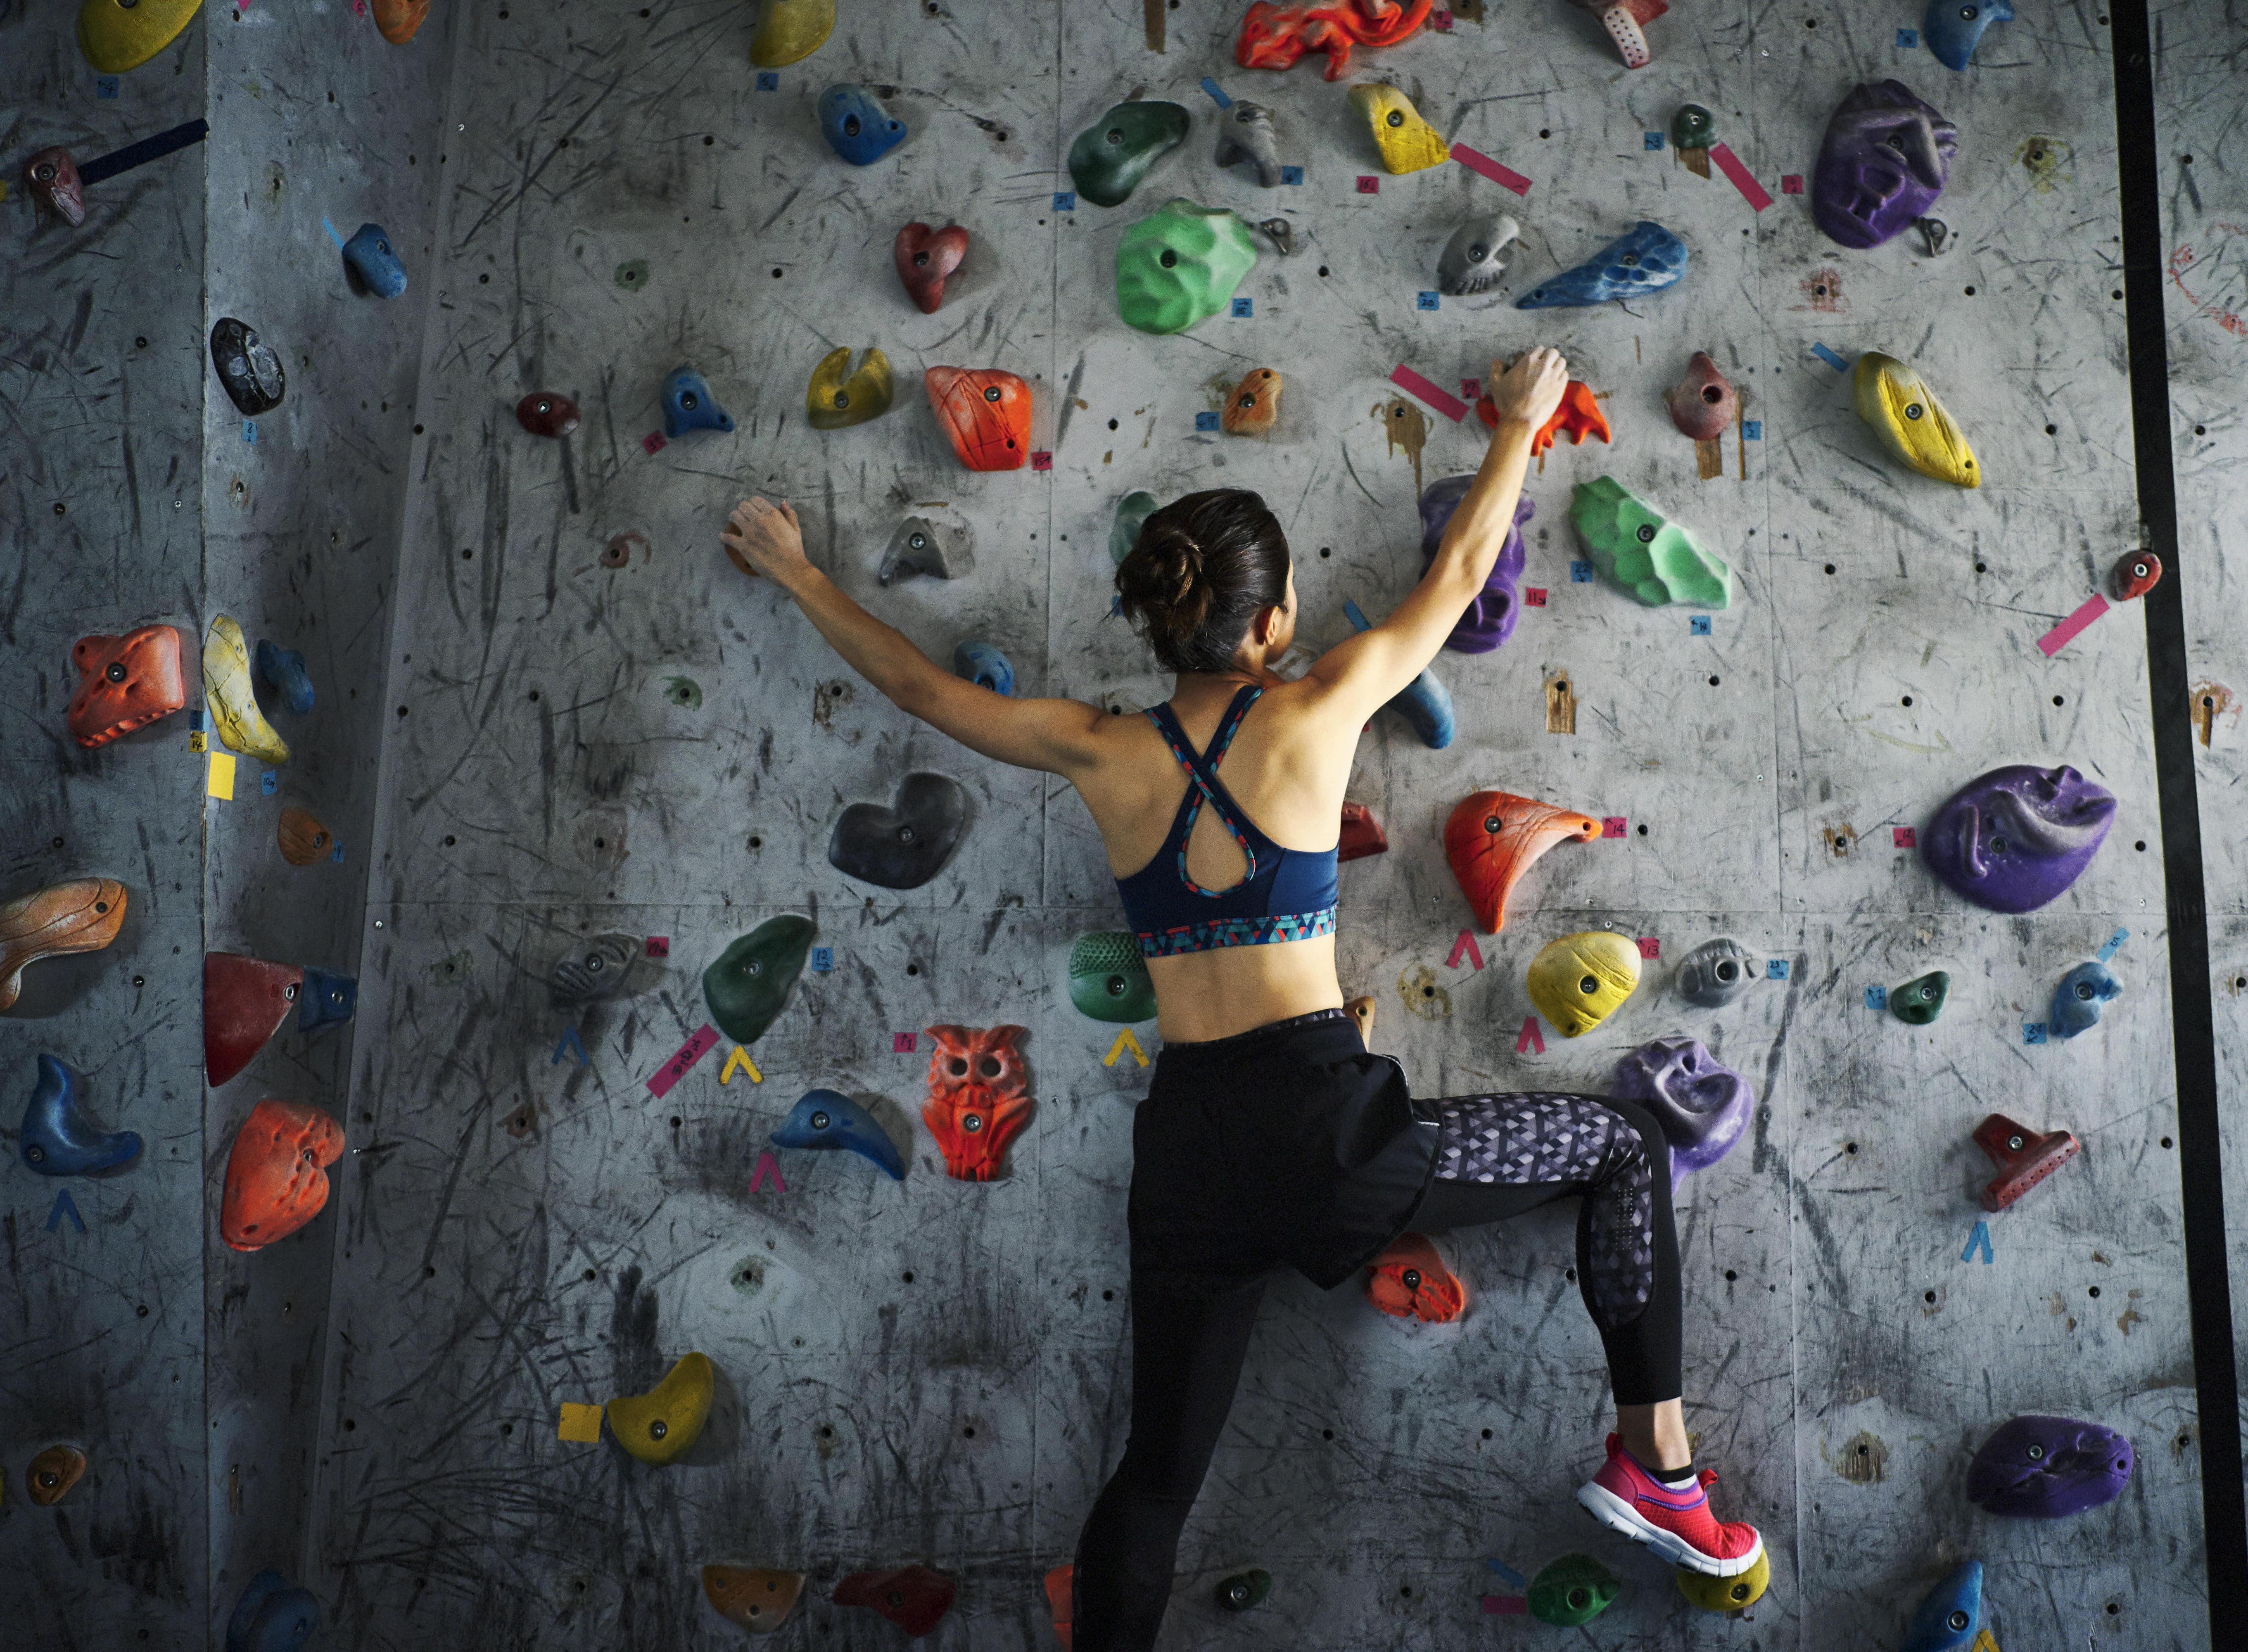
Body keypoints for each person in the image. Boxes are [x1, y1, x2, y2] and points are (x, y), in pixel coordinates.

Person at [719, 345, 1761, 1649]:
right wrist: (1516, 425)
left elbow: (926, 690)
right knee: (1614, 1146)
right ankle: (1656, 1469)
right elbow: (1457, 574)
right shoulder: (1319, 709)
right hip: (1329, 1128)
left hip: (1192, 1154)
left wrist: (801, 570)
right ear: (1269, 627)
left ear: (1162, 625)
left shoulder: (1098, 750)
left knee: (1157, 1475)